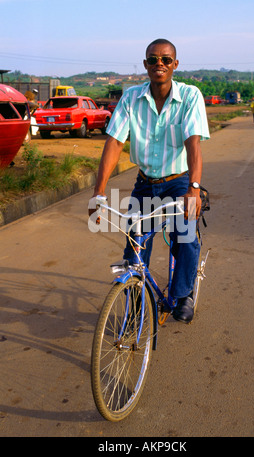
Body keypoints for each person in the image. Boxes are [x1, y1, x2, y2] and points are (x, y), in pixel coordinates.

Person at [88, 38, 210, 324]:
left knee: (185, 235)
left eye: (166, 60)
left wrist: (194, 188)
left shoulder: (190, 96)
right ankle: (135, 304)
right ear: (145, 65)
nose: (160, 65)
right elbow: (115, 142)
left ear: (175, 65)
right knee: (135, 245)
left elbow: (193, 144)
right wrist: (98, 193)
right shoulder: (131, 98)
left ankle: (183, 294)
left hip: (178, 181)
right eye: (153, 59)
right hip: (145, 184)